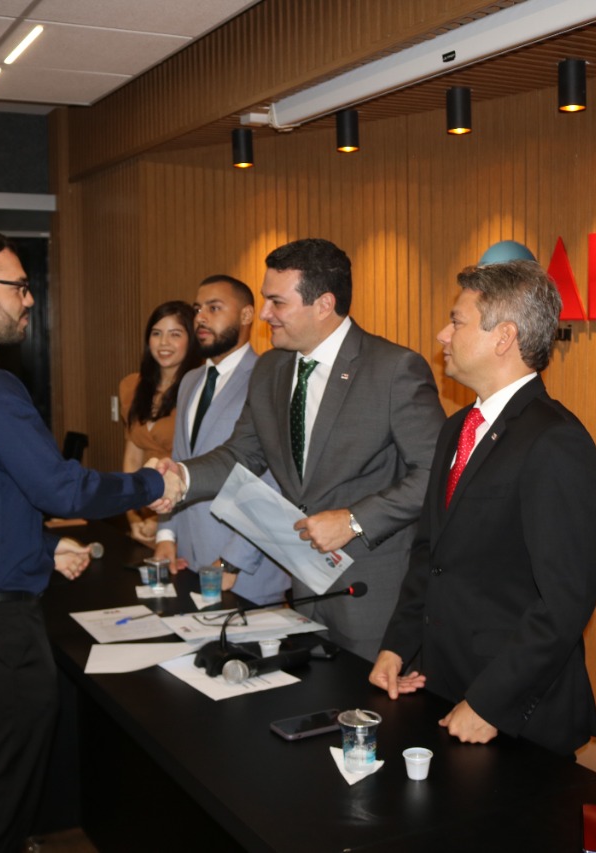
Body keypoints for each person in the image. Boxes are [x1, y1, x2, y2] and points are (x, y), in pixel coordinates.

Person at [0, 230, 183, 853]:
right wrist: (151, 483)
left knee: (0, 790)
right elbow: (62, 489)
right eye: (20, 287)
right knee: (0, 804)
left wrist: (38, 544)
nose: (29, 300)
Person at [368, 261, 596, 755]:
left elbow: (565, 601)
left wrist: (490, 703)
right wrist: (396, 646)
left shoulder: (554, 440)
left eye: (457, 321)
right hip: (441, 685)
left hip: (515, 711)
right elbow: (430, 554)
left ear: (504, 337)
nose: (442, 334)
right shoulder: (457, 428)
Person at [176, 238, 444, 659]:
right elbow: (242, 454)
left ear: (323, 305)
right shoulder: (270, 369)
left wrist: (355, 520)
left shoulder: (394, 369)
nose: (264, 314)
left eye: (277, 302)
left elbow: (436, 472)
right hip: (303, 589)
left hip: (374, 593)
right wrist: (181, 478)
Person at [154, 275, 290, 605]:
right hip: (188, 560)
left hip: (246, 571)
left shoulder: (270, 379)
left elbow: (275, 484)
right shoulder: (190, 380)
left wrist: (233, 560)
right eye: (197, 309)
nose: (200, 318)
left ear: (246, 315)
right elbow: (180, 462)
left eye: (214, 308)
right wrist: (166, 534)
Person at [119, 300, 201, 544]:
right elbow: (132, 458)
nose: (164, 343)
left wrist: (160, 521)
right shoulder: (132, 385)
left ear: (191, 340)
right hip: (142, 510)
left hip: (183, 511)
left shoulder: (199, 389)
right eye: (156, 334)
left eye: (175, 334)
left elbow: (199, 465)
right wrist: (133, 515)